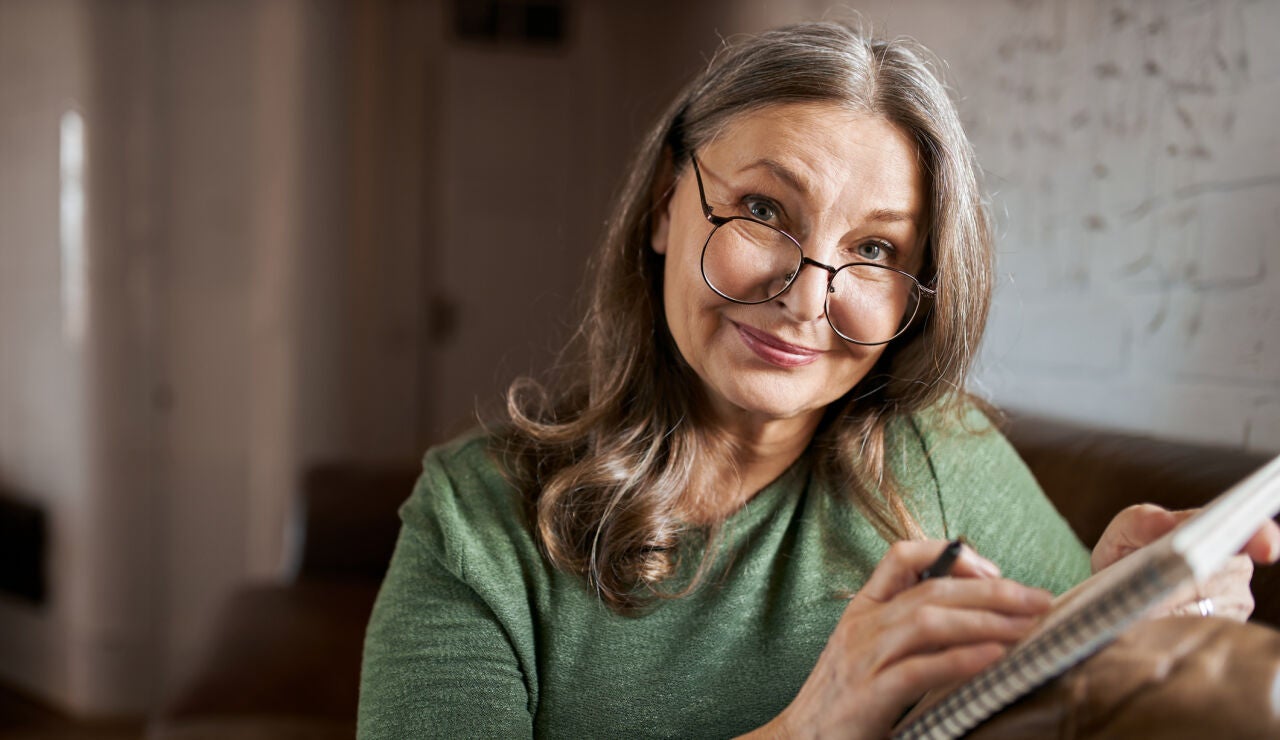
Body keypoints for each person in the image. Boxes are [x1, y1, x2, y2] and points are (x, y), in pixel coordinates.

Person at [357, 20, 1279, 739]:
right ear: (664, 205)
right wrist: (808, 727)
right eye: (764, 210)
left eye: (874, 250)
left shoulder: (944, 455)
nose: (806, 300)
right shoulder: (474, 521)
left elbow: (1068, 696)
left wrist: (1131, 616)